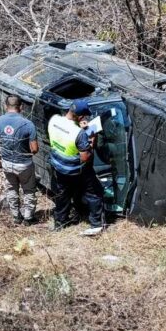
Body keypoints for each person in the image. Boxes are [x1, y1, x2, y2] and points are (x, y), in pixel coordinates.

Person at [47, 99, 105, 233]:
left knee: (63, 195)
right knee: (94, 193)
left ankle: (60, 223)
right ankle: (96, 224)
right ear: (80, 116)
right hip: (76, 169)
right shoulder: (79, 134)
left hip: (59, 166)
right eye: (83, 116)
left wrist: (80, 127)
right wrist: (91, 138)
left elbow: (63, 135)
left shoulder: (54, 120)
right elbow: (85, 157)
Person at [0, 95, 39, 225]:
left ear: (6, 106)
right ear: (21, 107)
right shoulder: (28, 124)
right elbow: (34, 149)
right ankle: (28, 218)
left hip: (6, 163)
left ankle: (16, 216)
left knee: (11, 189)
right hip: (24, 164)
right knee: (28, 190)